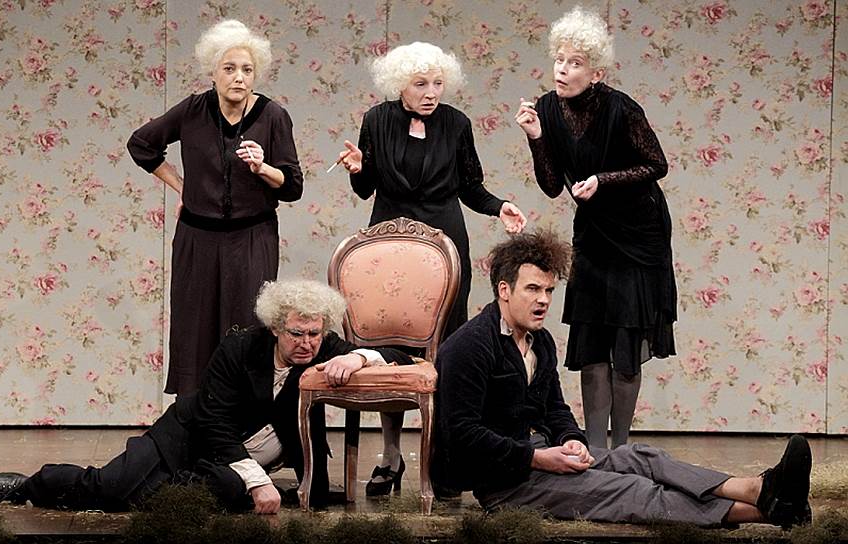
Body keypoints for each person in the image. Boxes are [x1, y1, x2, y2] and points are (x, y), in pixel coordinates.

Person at [432, 230, 812, 528]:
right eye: (533, 289)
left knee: (641, 457)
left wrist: (572, 440)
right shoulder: (468, 346)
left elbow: (555, 409)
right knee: (632, 490)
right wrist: (536, 458)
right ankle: (769, 513)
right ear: (504, 290)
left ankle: (757, 488)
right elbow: (462, 435)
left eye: (549, 290)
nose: (544, 300)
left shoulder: (539, 341)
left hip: (542, 453)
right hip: (505, 483)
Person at [0, 280, 411, 514]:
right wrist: (258, 481)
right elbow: (214, 423)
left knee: (211, 492)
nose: (307, 343)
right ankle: (22, 486)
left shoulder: (324, 347)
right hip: (188, 438)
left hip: (227, 466)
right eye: (296, 333)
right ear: (275, 327)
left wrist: (360, 357)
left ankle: (190, 492)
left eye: (315, 333)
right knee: (109, 490)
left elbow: (398, 355)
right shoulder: (239, 349)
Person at [334, 41, 527, 495]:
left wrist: (499, 206)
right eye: (421, 84)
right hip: (390, 243)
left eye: (438, 83)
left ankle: (443, 461)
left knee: (445, 351)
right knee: (390, 345)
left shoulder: (457, 123)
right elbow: (365, 189)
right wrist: (358, 169)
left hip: (444, 247)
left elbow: (471, 187)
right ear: (400, 84)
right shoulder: (376, 120)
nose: (431, 92)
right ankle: (391, 455)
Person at [514, 6, 676, 449]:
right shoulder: (547, 108)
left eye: (575, 63)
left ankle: (620, 449)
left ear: (596, 73)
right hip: (593, 235)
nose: (562, 70)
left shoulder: (621, 108)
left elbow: (656, 164)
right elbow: (552, 185)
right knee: (591, 345)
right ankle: (597, 451)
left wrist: (603, 180)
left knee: (625, 349)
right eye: (559, 60)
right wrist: (535, 136)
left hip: (637, 237)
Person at [127, 20, 304, 396]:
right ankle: (194, 420)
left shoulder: (273, 116)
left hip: (252, 238)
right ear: (213, 72)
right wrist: (184, 186)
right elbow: (141, 145)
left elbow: (292, 187)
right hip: (197, 239)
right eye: (229, 68)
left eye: (247, 70)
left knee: (249, 327)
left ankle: (245, 420)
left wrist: (263, 168)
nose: (239, 77)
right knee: (195, 328)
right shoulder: (193, 110)